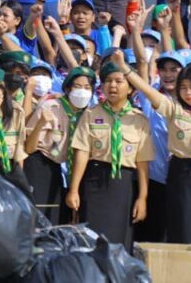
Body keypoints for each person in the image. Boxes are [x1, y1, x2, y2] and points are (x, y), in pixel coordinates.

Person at [119, 51, 191, 244]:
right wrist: (124, 68)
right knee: (183, 230)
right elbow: (148, 91)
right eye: (184, 88)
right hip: (182, 175)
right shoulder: (174, 110)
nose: (188, 93)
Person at [65, 60, 152, 248]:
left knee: (118, 241)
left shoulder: (139, 120)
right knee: (90, 240)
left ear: (130, 89)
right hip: (94, 180)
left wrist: (142, 198)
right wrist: (74, 189)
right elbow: (82, 153)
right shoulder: (89, 115)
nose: (112, 85)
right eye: (108, 81)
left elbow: (143, 163)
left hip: (123, 185)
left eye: (119, 81)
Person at [24, 66, 95, 224]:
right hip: (41, 163)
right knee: (40, 215)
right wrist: (41, 122)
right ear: (68, 88)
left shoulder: (89, 114)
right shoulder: (51, 106)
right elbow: (28, 147)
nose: (82, 91)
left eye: (87, 87)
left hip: (69, 170)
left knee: (59, 218)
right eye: (77, 86)